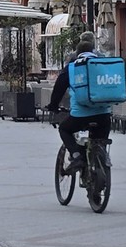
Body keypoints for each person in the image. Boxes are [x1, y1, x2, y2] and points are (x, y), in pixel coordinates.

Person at [48, 31, 113, 176]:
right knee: (99, 140)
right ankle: (102, 156)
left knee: (64, 129)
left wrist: (53, 106)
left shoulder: (71, 67)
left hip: (80, 115)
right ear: (93, 50)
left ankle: (77, 156)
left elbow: (58, 89)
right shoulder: (102, 64)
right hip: (103, 114)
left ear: (77, 53)